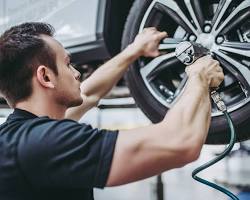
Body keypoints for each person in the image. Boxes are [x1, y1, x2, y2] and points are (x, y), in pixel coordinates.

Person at [0, 22, 224, 200]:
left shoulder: (21, 136)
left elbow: (90, 93)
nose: (77, 73)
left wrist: (134, 50)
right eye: (68, 64)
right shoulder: (41, 143)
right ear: (46, 77)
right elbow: (179, 142)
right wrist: (199, 77)